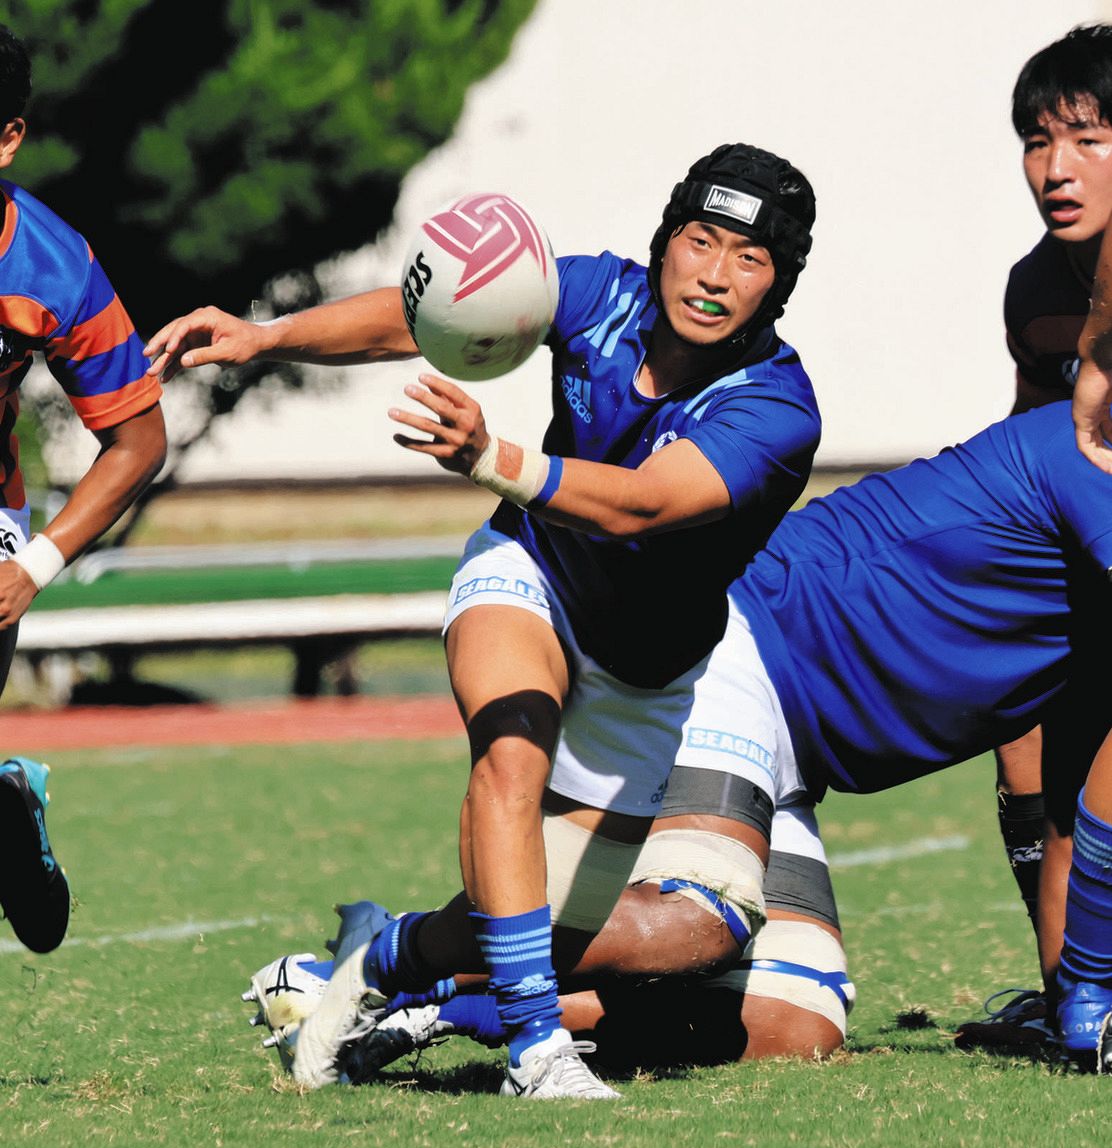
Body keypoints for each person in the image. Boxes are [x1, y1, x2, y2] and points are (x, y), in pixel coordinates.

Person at [145, 143, 821, 1098]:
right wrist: (267, 336)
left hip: (646, 680)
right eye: (700, 241)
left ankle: (386, 959)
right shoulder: (601, 293)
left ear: (779, 286)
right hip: (530, 573)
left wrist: (492, 455)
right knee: (511, 751)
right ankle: (537, 1055)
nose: (713, 276)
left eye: (749, 260)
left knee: (535, 926)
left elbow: (643, 504)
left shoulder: (778, 408)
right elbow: (430, 310)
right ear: (666, 239)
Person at [249, 396, 1112, 1083]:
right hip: (745, 651)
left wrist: (1074, 994)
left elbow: (1065, 786)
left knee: (796, 1020)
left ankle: (441, 1005)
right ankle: (390, 958)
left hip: (797, 744)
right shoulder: (1093, 453)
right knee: (702, 916)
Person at [957, 24, 1112, 1052]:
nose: (1052, 168)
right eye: (1033, 140)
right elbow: (1032, 442)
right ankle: (1071, 993)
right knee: (1018, 726)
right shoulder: (1034, 287)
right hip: (1087, 567)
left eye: (1088, 138)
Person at [0, 27, 167, 953]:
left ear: (8, 137)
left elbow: (139, 439)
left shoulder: (54, 270)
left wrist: (34, 564)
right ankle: (9, 812)